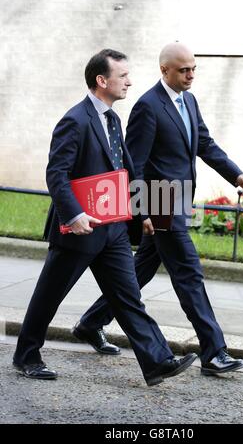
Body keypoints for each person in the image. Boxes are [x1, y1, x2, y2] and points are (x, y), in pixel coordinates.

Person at [12, 49, 198, 386]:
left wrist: (141, 212)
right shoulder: (75, 120)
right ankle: (26, 355)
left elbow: (125, 170)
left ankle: (157, 362)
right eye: (123, 75)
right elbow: (57, 174)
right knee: (49, 296)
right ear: (102, 80)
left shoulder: (113, 118)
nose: (129, 81)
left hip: (112, 230)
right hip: (79, 230)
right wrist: (76, 214)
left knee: (129, 298)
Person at [73, 43, 243, 376]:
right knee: (189, 274)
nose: (190, 75)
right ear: (164, 70)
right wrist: (142, 210)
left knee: (139, 271)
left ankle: (91, 322)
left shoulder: (189, 100)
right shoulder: (148, 106)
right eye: (184, 70)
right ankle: (214, 352)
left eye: (193, 69)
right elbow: (134, 164)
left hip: (180, 198)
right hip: (158, 202)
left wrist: (235, 173)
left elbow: (203, 142)